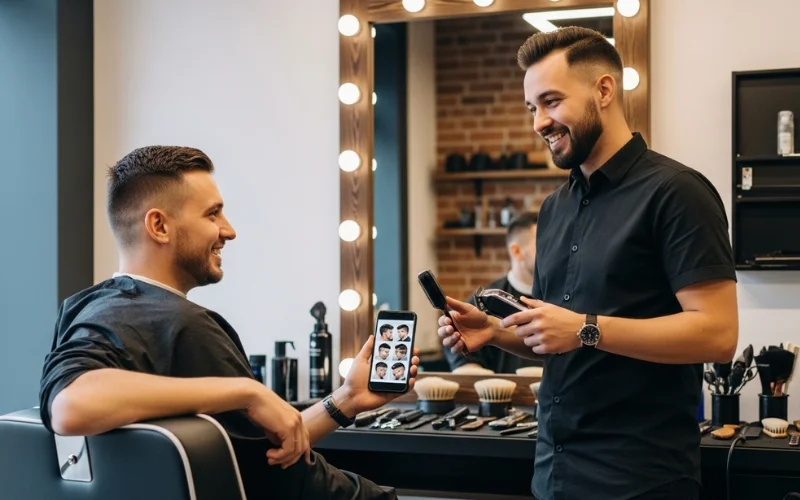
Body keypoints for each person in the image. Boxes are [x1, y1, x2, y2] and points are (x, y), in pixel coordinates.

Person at [437, 26, 738, 500]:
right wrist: (496, 334)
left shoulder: (676, 193)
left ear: (603, 90)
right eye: (532, 108)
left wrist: (584, 328)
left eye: (551, 101)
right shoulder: (555, 209)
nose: (538, 122)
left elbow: (718, 335)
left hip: (640, 480)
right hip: (554, 474)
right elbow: (558, 336)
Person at [39, 146, 419, 500]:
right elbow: (72, 404)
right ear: (159, 226)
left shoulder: (86, 306)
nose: (229, 229)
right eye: (212, 213)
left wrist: (346, 400)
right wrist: (246, 391)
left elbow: (259, 454)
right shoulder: (188, 325)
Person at [443, 211, 543, 374]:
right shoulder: (483, 303)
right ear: (516, 251)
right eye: (542, 245)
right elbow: (466, 365)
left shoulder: (563, 300)